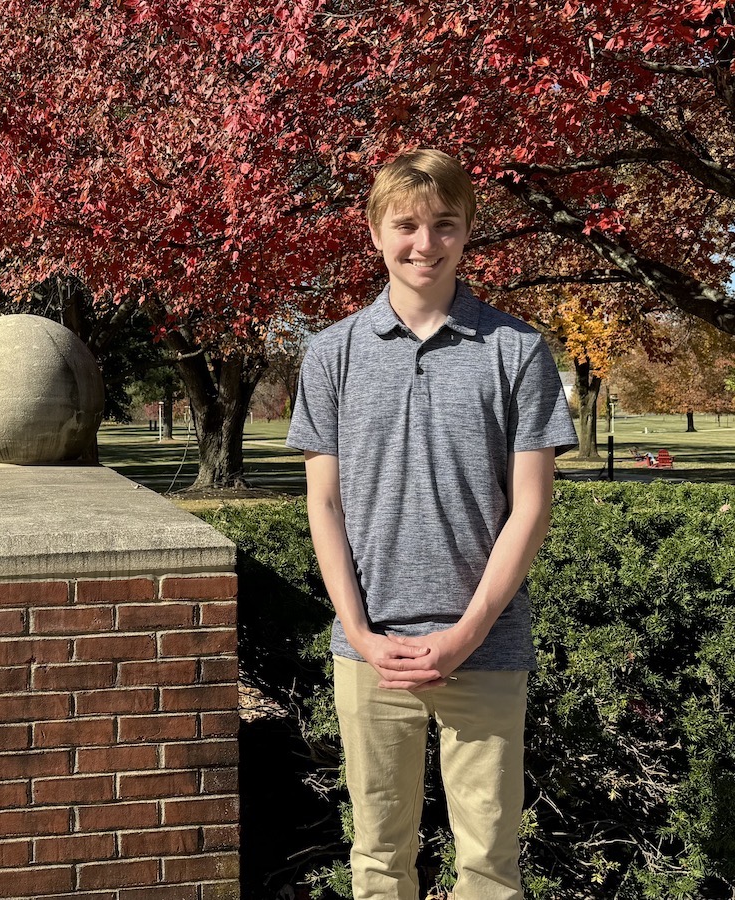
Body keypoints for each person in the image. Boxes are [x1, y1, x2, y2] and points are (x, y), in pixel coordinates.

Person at [286, 149, 578, 900]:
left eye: (444, 224)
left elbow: (532, 507)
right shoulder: (331, 353)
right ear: (375, 231)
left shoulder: (517, 351)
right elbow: (324, 504)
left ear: (466, 231)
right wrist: (355, 630)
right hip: (368, 651)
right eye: (407, 224)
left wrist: (466, 634)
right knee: (379, 859)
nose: (425, 243)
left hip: (484, 648)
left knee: (489, 863)